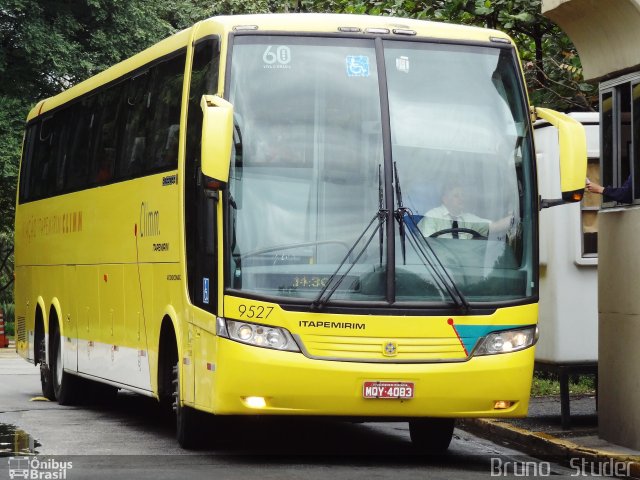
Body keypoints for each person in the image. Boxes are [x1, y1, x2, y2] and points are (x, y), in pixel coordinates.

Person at [418, 182, 514, 239]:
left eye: (462, 195)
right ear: (445, 199)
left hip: (466, 266)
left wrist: (515, 217)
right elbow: (427, 245)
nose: (462, 199)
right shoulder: (432, 217)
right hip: (438, 268)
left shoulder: (469, 219)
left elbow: (496, 226)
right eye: (456, 196)